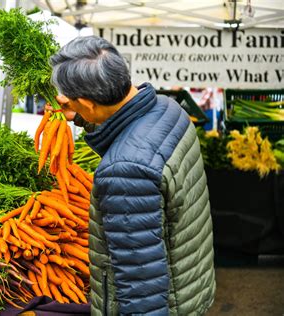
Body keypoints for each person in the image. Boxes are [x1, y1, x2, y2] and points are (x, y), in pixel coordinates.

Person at [49, 36, 216, 315]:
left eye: (73, 101)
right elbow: (123, 128)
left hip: (168, 302)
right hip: (190, 281)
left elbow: (141, 285)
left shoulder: (125, 172)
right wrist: (79, 114)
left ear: (89, 103)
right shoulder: (167, 109)